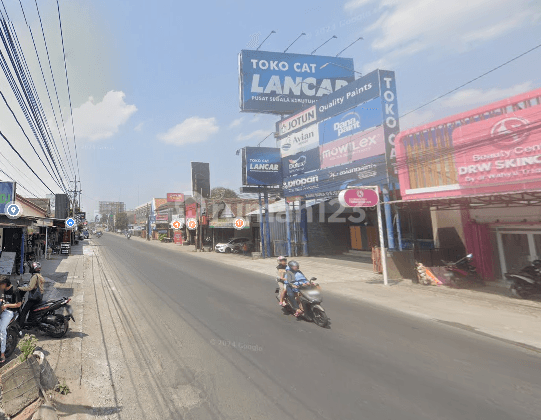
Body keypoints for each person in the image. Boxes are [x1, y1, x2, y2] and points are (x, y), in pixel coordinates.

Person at [0, 276, 22, 363]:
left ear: (5, 284)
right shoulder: (3, 289)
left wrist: (6, 306)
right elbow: (2, 298)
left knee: (2, 330)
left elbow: (18, 304)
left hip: (10, 312)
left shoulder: (15, 291)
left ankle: (2, 354)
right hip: (2, 309)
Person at [18, 261, 45, 327]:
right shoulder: (39, 276)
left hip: (33, 298)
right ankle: (31, 324)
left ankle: (20, 326)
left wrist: (20, 288)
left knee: (24, 311)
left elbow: (30, 287)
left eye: (32, 267)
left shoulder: (35, 277)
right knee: (32, 311)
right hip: (39, 297)